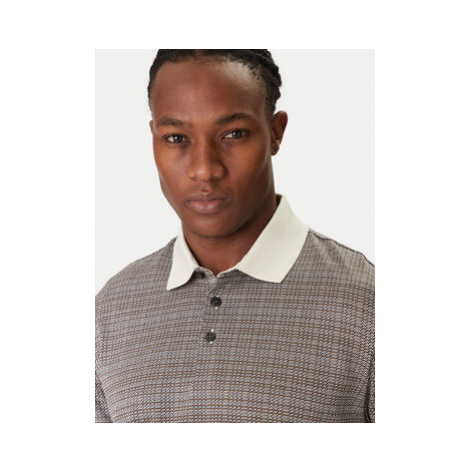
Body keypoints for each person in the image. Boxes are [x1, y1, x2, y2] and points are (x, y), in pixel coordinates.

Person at [95, 49, 375, 423]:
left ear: (275, 133)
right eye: (176, 137)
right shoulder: (111, 309)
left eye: (234, 134)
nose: (204, 169)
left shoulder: (368, 302)